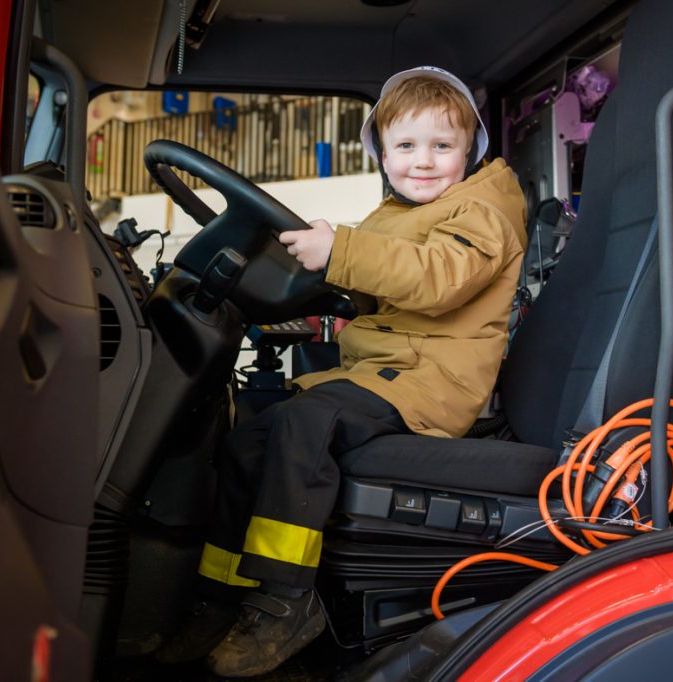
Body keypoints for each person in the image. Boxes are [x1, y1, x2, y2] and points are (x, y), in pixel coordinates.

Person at [158, 66, 527, 677]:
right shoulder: (401, 211)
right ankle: (220, 595)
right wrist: (320, 278)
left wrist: (343, 252)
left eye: (443, 146)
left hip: (431, 384)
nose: (424, 161)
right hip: (388, 373)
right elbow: (380, 279)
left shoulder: (483, 211)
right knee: (249, 435)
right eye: (406, 146)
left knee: (306, 423)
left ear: (472, 149)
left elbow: (434, 278)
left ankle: (286, 598)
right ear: (382, 154)